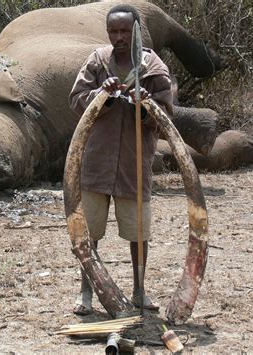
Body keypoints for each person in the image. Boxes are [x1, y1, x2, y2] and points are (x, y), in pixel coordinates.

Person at [68, 4, 173, 315]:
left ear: (136, 31)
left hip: (133, 164)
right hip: (96, 162)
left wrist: (146, 106)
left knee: (137, 231)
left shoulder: (153, 68)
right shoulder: (97, 62)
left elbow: (166, 115)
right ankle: (87, 291)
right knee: (89, 232)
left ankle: (139, 290)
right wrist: (103, 95)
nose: (119, 37)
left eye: (125, 31)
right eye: (113, 31)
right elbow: (76, 101)